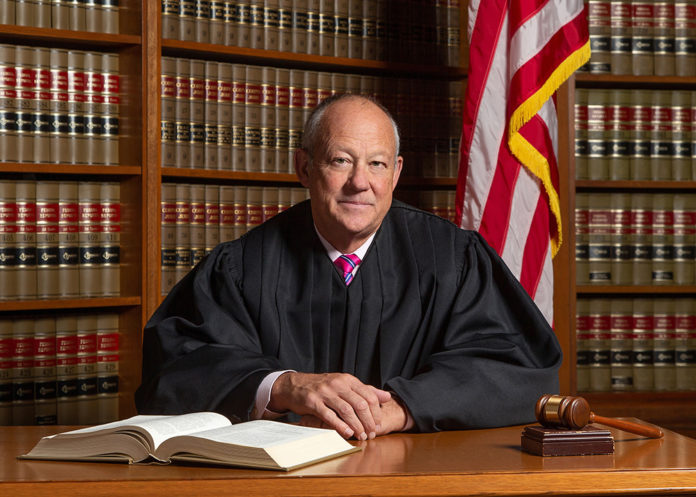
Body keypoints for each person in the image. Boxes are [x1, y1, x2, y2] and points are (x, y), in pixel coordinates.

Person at [135, 93, 562, 441]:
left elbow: (519, 368)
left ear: (395, 173)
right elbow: (171, 373)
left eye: (376, 163)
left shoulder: (454, 259)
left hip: (418, 481)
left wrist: (405, 406)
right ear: (304, 167)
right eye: (341, 160)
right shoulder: (242, 267)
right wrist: (284, 386)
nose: (360, 182)